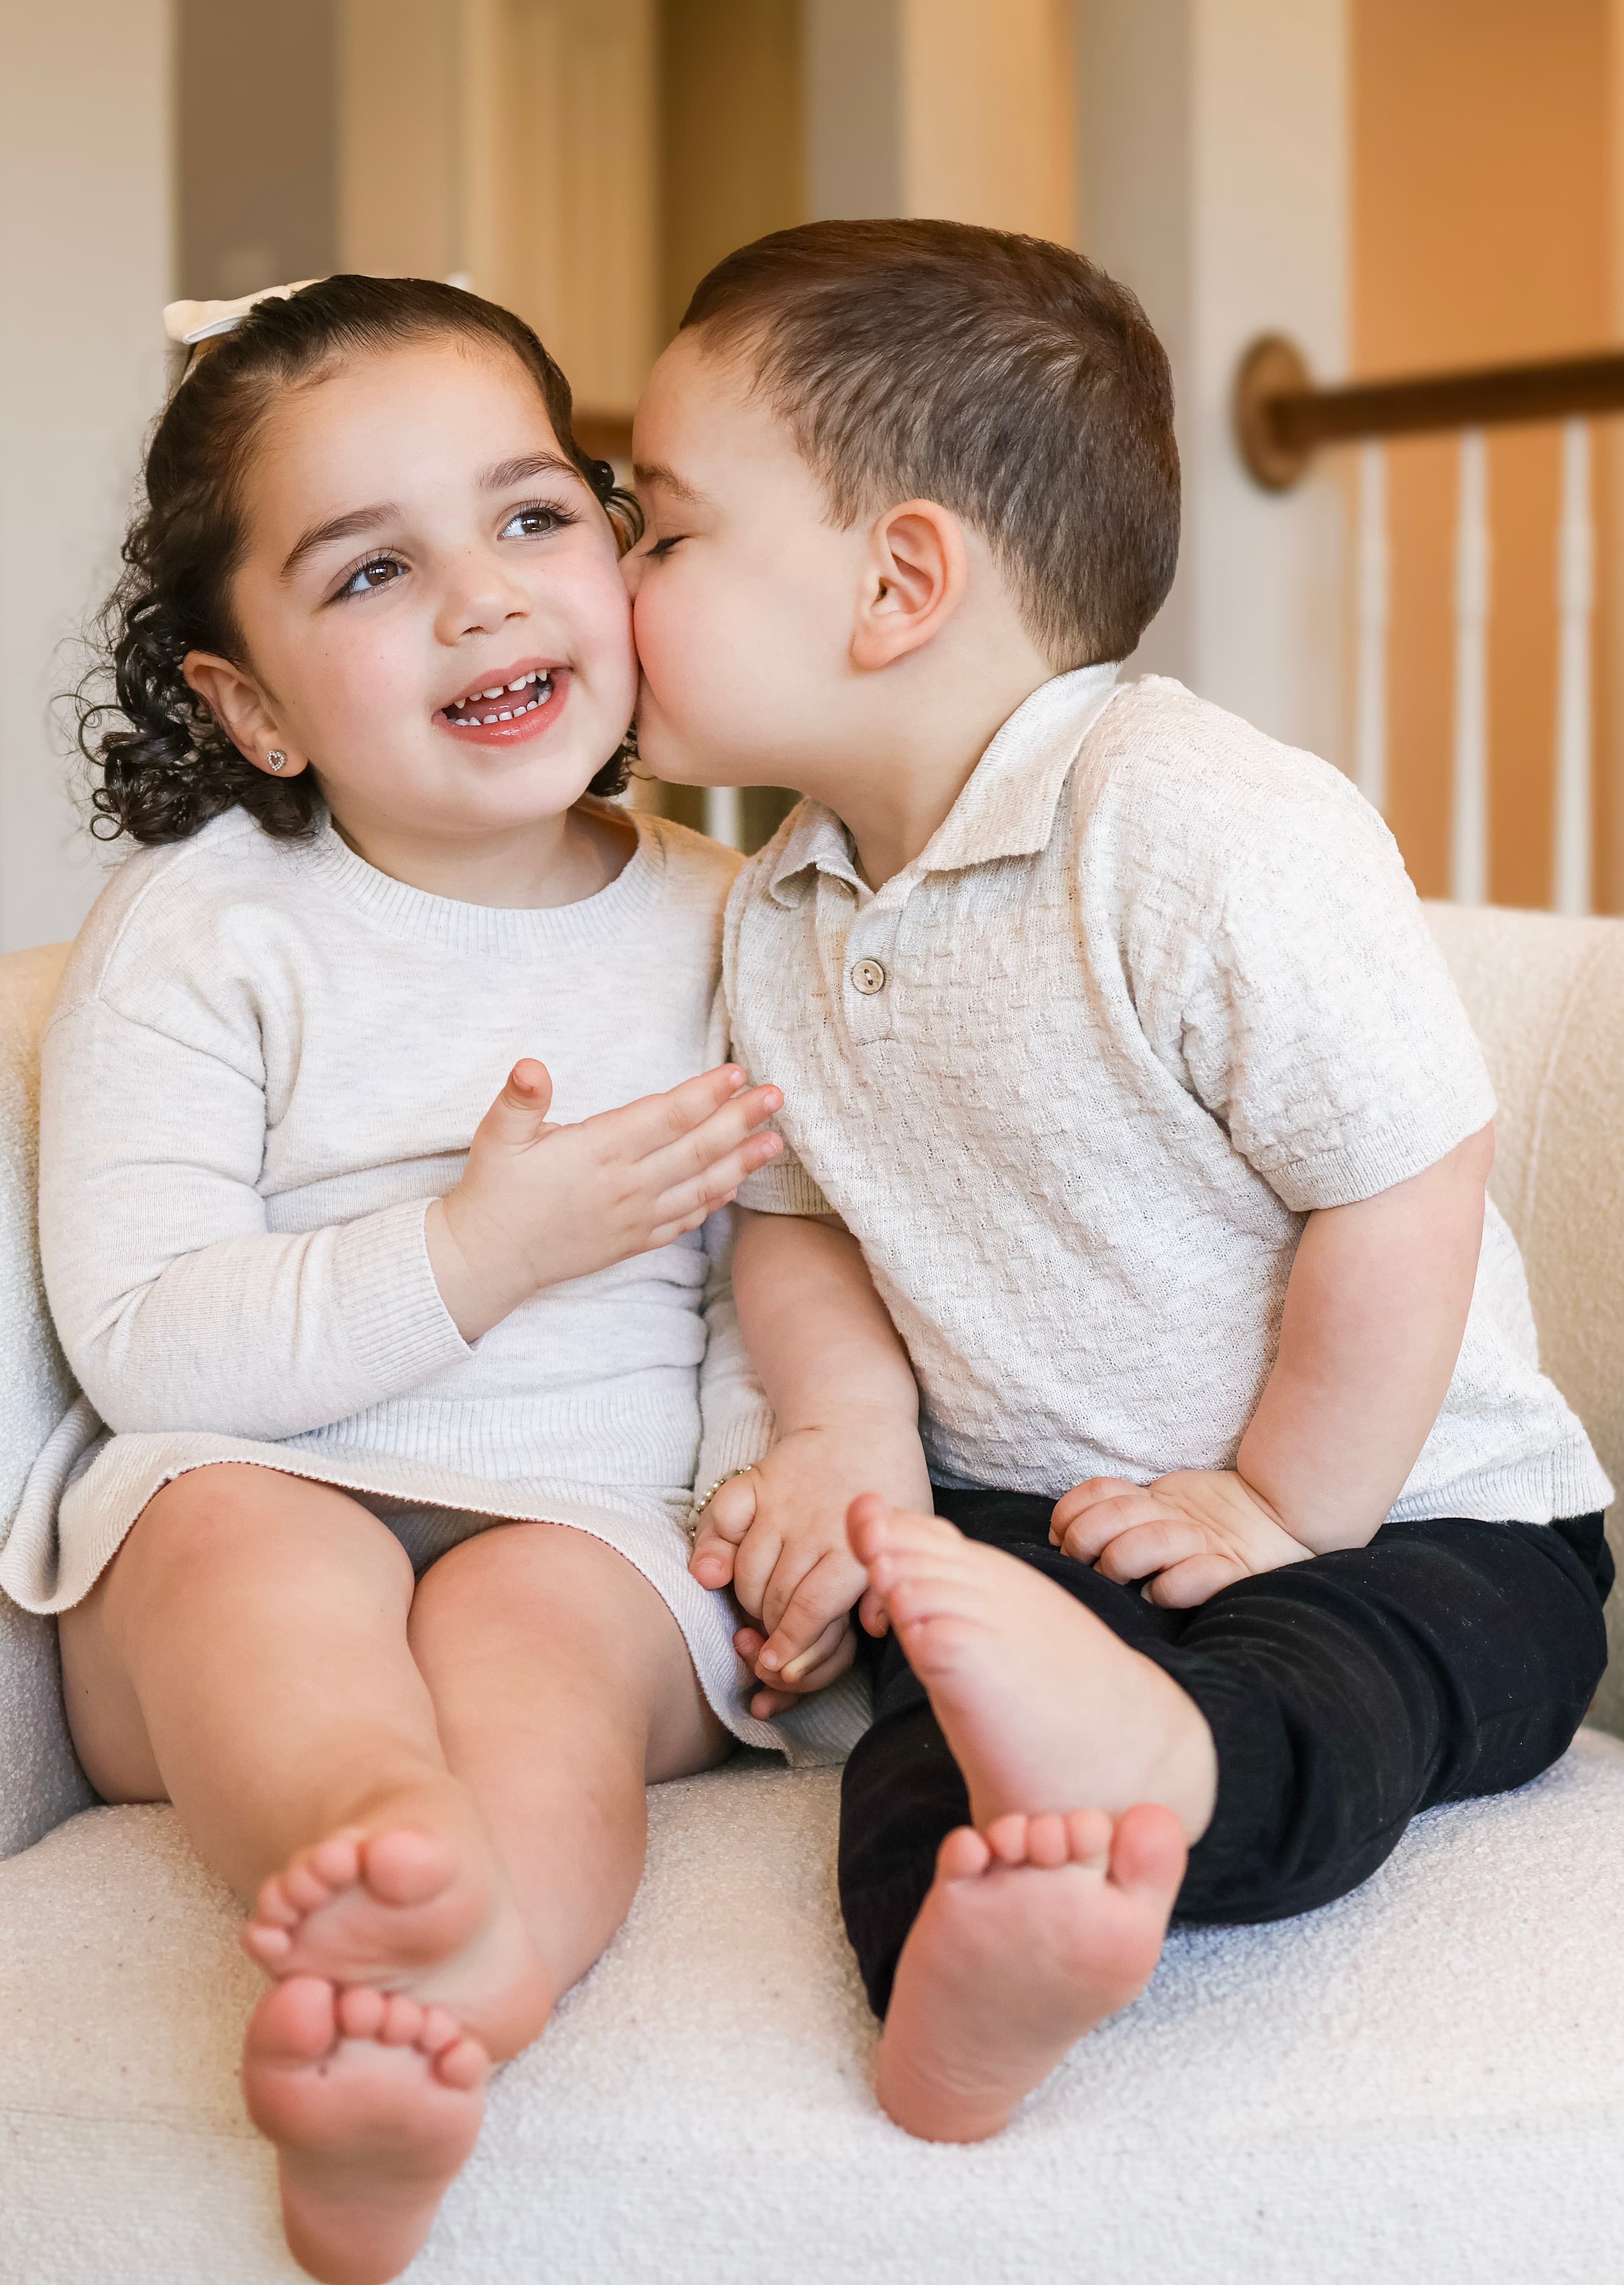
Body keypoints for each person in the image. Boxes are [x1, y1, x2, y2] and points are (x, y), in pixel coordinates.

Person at [623, 219, 1615, 2147]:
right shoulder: (779, 906)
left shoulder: (1191, 826)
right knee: (919, 1746)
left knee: (1346, 1685)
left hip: (1410, 1520)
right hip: (1040, 1536)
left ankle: (1171, 1769)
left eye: (660, 528)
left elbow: (1402, 1174)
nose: (616, 575)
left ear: (897, 578)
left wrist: (1275, 1499)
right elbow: (801, 1210)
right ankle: (964, 1982)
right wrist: (843, 1439)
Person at [0, 274, 807, 2285]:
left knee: (542, 1641)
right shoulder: (201, 932)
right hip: (238, 1475)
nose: (481, 596)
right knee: (249, 1556)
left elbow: (775, 1270)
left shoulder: (748, 915)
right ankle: (368, 1835)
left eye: (535, 517)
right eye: (370, 570)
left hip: (596, 1515)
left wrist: (766, 1493)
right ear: (252, 703)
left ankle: (452, 2004)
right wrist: (473, 1252)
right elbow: (142, 1326)